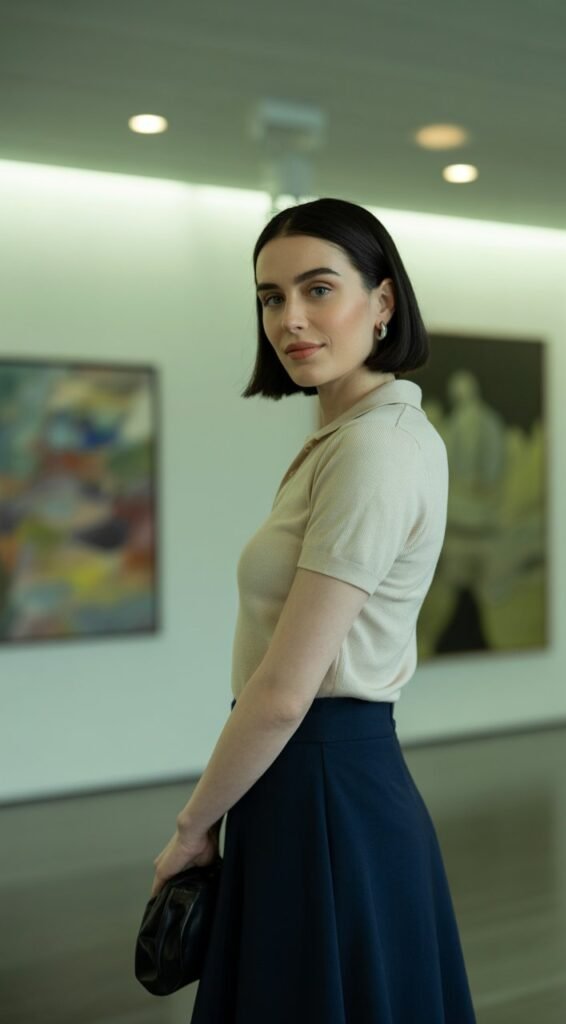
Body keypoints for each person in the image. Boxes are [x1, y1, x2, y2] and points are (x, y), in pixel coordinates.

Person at [150, 197, 477, 1022]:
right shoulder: (359, 436)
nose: (290, 319)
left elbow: (286, 691)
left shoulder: (374, 449)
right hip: (310, 785)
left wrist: (193, 828)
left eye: (318, 289)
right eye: (270, 296)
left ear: (384, 301)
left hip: (320, 784)